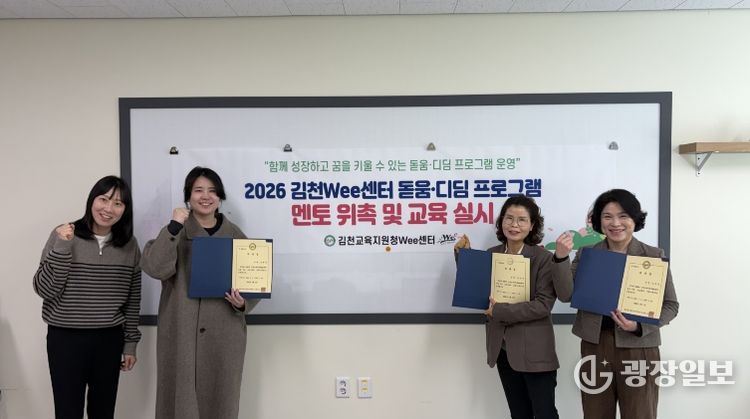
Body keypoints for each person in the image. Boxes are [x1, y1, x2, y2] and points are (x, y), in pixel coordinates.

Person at [142, 166, 259, 419]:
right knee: (179, 401)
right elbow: (155, 268)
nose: (206, 196)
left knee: (221, 400)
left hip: (224, 336)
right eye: (198, 190)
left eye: (212, 191)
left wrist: (242, 303)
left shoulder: (236, 236)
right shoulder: (175, 232)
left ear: (220, 197)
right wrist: (174, 227)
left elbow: (255, 281)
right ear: (188, 196)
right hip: (181, 333)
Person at [552, 189, 679, 419]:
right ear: (599, 221)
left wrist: (638, 326)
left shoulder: (652, 255)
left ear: (635, 219)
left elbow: (670, 305)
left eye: (623, 216)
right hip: (595, 345)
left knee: (640, 413)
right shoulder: (587, 254)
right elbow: (565, 294)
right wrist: (560, 258)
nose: (616, 223)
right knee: (595, 413)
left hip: (639, 347)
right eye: (607, 216)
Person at [33, 176, 141, 419]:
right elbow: (44, 289)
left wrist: (130, 344)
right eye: (103, 199)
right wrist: (63, 247)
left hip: (109, 340)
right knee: (67, 412)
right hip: (65, 338)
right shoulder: (64, 234)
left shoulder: (129, 245)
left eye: (118, 203)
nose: (108, 208)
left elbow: (133, 299)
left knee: (103, 412)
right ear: (92, 200)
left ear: (125, 210)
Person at [454, 196, 559, 419]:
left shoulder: (543, 258)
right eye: (509, 218)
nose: (514, 225)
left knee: (545, 414)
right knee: (519, 414)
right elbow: (479, 292)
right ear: (501, 222)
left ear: (532, 225)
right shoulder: (492, 254)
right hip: (503, 350)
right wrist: (465, 258)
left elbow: (542, 305)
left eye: (522, 220)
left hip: (535, 352)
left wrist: (499, 311)